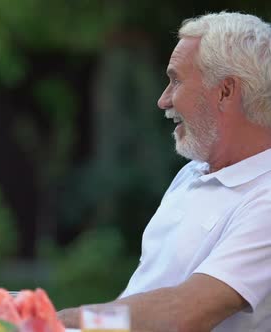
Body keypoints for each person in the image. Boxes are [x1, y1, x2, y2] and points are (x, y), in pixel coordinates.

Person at [58, 12, 271, 331]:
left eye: (176, 80)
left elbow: (183, 313)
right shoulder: (192, 174)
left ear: (226, 91)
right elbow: (142, 300)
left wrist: (63, 320)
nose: (163, 100)